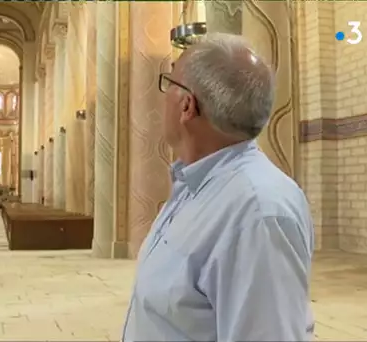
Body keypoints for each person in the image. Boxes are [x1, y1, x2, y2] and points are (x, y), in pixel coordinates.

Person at [122, 33, 314, 341]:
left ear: (188, 105)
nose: (163, 95)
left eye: (169, 82)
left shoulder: (257, 211)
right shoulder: (195, 184)